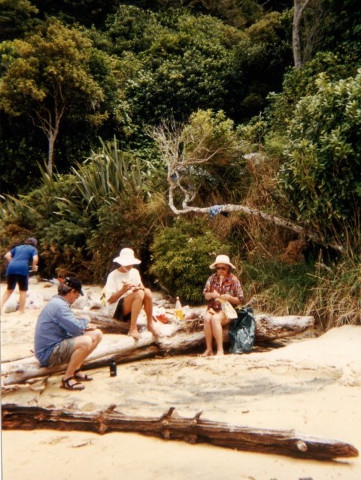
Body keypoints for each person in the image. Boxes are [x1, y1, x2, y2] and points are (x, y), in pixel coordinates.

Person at [34, 277, 103, 390]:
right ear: (72, 292)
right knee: (85, 342)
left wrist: (84, 327)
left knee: (97, 334)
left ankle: (76, 369)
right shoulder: (60, 306)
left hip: (54, 345)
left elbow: (72, 328)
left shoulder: (58, 302)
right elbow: (76, 328)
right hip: (47, 353)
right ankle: (67, 378)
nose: (77, 298)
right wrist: (86, 320)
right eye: (77, 294)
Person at [104, 248, 159, 340]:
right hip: (116, 310)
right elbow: (110, 300)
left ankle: (150, 324)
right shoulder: (113, 275)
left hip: (131, 305)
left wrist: (137, 288)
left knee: (147, 292)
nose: (130, 265)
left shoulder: (135, 272)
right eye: (127, 263)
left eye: (131, 263)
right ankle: (133, 328)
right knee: (140, 293)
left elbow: (142, 289)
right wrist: (123, 290)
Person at [202, 254, 244, 356]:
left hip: (227, 310)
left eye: (223, 268)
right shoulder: (212, 278)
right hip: (213, 307)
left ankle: (220, 350)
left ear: (228, 268)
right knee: (207, 318)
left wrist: (229, 298)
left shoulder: (234, 280)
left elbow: (240, 300)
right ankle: (209, 349)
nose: (220, 270)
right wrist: (212, 294)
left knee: (215, 319)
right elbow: (205, 295)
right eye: (218, 268)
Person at [1, 237, 39, 314]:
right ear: (35, 244)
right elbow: (35, 259)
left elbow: (7, 255)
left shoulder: (18, 247)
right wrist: (34, 267)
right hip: (22, 269)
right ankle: (21, 311)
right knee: (23, 291)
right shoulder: (33, 249)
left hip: (11, 268)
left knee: (9, 290)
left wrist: (13, 262)